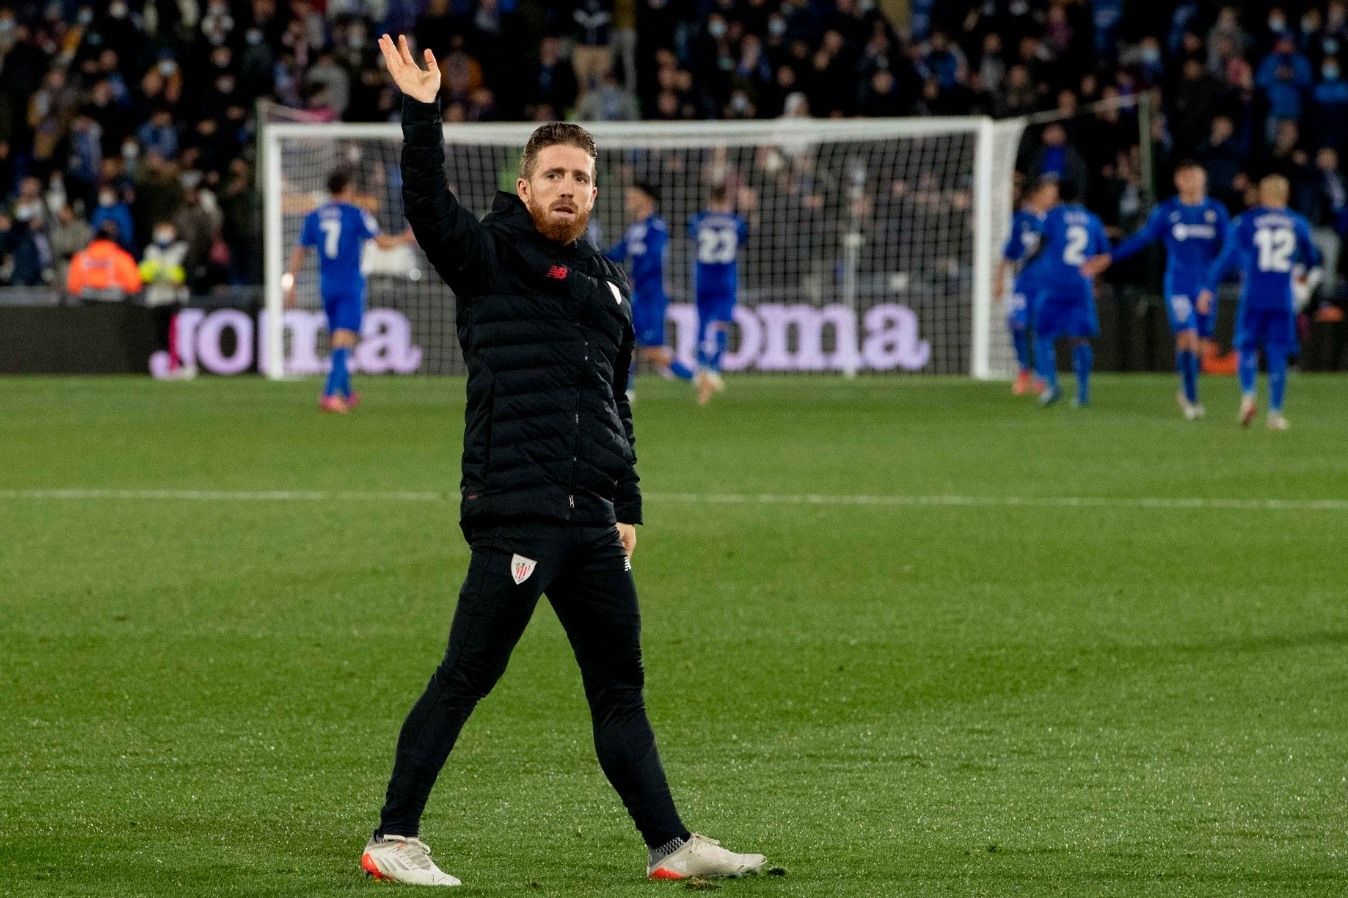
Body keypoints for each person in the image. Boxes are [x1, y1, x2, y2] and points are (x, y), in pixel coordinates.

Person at [361, 33, 766, 887]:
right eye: (554, 175)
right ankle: (394, 838)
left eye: (581, 177)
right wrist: (422, 115)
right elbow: (428, 207)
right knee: (467, 674)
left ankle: (671, 845)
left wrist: (629, 506)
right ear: (525, 185)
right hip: (519, 510)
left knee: (621, 687)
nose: (569, 189)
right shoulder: (488, 258)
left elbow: (616, 404)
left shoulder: (608, 282)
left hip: (590, 524)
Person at [1082, 161, 1230, 419]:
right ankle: (1191, 399)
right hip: (1179, 284)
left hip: (1206, 286)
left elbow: (1229, 249)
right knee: (1187, 337)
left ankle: (1186, 389)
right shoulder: (1168, 211)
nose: (1192, 181)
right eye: (1187, 177)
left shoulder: (1216, 212)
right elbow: (1142, 238)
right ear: (1178, 181)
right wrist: (1110, 257)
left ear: (1204, 179)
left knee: (1200, 346)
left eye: (1196, 176)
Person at [283, 169, 411, 412]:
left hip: (327, 284)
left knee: (338, 338)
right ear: (347, 188)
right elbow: (382, 243)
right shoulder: (356, 214)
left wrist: (292, 282)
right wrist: (405, 238)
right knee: (344, 339)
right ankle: (330, 395)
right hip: (350, 284)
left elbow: (300, 250)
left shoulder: (315, 215)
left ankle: (348, 393)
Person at [1199, 175, 1320, 430]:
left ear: (1262, 195)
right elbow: (1312, 256)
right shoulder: (1297, 223)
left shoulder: (1247, 221)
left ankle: (1248, 397)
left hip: (1253, 294)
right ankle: (1275, 414)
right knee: (1277, 352)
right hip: (1282, 297)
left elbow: (1227, 257)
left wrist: (1208, 288)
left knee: (1246, 347)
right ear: (1286, 195)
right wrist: (1305, 274)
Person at [604, 181, 693, 399]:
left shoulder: (656, 228)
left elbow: (653, 260)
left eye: (632, 195)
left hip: (652, 296)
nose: (628, 199)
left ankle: (696, 378)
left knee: (653, 352)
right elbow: (617, 253)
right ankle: (627, 391)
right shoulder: (635, 229)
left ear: (646, 198)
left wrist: (633, 278)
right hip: (636, 295)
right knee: (625, 341)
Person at [1030, 181, 1111, 408]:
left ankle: (1052, 385)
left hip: (1054, 287)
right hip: (1080, 287)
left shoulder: (1053, 216)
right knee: (1080, 339)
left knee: (1043, 336)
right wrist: (1093, 275)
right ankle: (1083, 394)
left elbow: (1037, 238)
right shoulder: (1093, 220)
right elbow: (1105, 256)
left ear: (1059, 196)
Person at [687, 184, 749, 405]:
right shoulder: (737, 222)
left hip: (703, 279)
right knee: (721, 324)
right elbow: (742, 241)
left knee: (703, 323)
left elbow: (692, 236)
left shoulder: (698, 220)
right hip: (725, 280)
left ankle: (701, 369)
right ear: (728, 199)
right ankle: (713, 370)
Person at [995, 178, 1057, 395]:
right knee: (1017, 325)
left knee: (1042, 329)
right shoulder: (1021, 219)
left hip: (1047, 285)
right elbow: (1008, 252)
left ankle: (1043, 375)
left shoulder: (1055, 220)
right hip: (1023, 283)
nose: (1053, 197)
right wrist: (999, 280)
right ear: (1036, 194)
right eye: (1049, 193)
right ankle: (1024, 372)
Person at [139, 221, 193, 379]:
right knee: (160, 336)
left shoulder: (180, 250)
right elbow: (144, 275)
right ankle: (170, 366)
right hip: (155, 299)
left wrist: (181, 281)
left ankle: (177, 366)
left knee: (172, 336)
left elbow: (186, 274)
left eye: (167, 231)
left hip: (173, 298)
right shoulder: (150, 251)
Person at [65, 220, 142, 302]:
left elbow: (72, 287)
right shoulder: (121, 258)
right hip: (116, 309)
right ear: (113, 238)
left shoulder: (80, 259)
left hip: (87, 309)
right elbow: (134, 285)